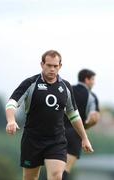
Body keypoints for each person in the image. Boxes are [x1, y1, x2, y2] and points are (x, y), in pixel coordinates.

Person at [5, 50, 93, 180]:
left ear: (60, 66)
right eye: (49, 65)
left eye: (55, 66)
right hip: (32, 140)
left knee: (57, 175)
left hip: (56, 140)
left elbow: (73, 115)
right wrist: (11, 120)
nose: (52, 69)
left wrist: (84, 138)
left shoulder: (66, 87)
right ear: (42, 64)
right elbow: (11, 104)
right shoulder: (30, 83)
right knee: (30, 178)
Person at [63, 69, 100, 179]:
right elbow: (94, 119)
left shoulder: (67, 90)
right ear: (87, 79)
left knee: (54, 168)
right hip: (75, 134)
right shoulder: (91, 96)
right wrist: (84, 128)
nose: (94, 82)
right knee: (64, 169)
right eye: (93, 79)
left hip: (58, 132)